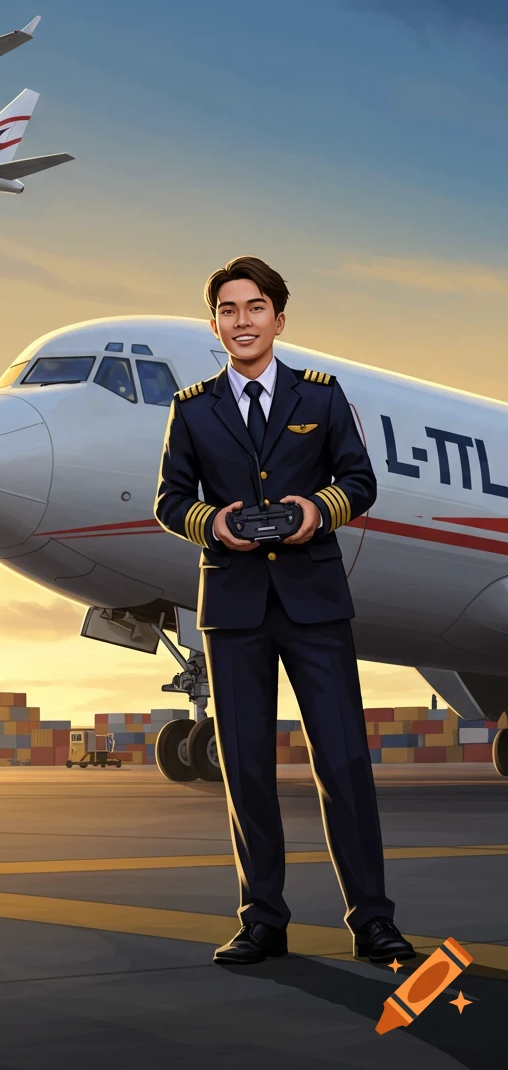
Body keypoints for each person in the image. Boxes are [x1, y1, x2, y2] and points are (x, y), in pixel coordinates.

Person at [154, 255, 416, 966]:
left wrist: (314, 509)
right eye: (229, 311)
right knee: (246, 771)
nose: (242, 321)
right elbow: (169, 501)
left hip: (314, 604)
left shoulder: (323, 398)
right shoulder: (193, 408)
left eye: (255, 308)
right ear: (215, 324)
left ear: (278, 319)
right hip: (234, 609)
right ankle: (262, 920)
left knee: (344, 764)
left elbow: (359, 481)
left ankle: (373, 921)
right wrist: (214, 524)